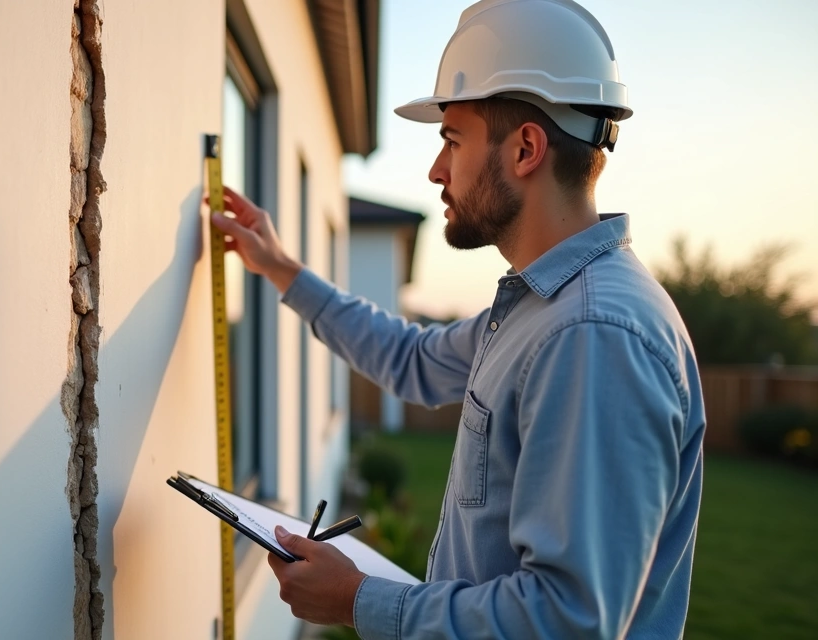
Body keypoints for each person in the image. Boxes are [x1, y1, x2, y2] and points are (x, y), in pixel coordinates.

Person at [208, 0, 705, 637]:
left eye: (452, 140)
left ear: (526, 148)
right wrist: (281, 268)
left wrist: (357, 600)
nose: (436, 170)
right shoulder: (540, 307)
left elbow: (566, 622)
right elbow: (411, 359)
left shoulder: (592, 335)